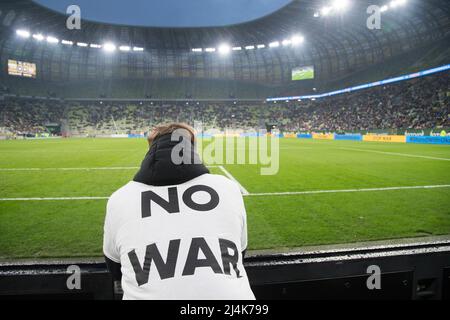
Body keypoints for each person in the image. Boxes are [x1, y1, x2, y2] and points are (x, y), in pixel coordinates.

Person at [103, 123, 255, 300]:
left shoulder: (120, 198)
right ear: (192, 147)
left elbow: (115, 268)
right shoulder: (228, 188)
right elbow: (239, 254)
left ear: (150, 148)